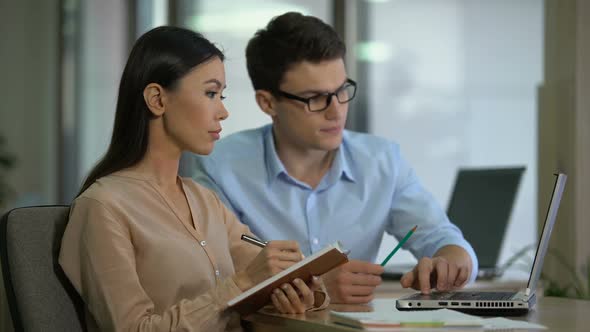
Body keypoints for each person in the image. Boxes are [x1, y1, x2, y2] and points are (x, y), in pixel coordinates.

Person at [187, 12, 479, 304]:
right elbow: (214, 276)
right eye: (315, 97)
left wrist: (448, 263)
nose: (336, 110)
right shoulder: (220, 167)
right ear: (268, 102)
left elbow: (441, 237)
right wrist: (314, 286)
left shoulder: (383, 161)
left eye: (341, 91)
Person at [59, 26, 328, 332]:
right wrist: (241, 283)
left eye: (222, 95)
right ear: (157, 99)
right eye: (211, 93)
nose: (223, 111)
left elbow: (264, 269)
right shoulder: (103, 208)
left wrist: (298, 289)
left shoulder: (205, 201)